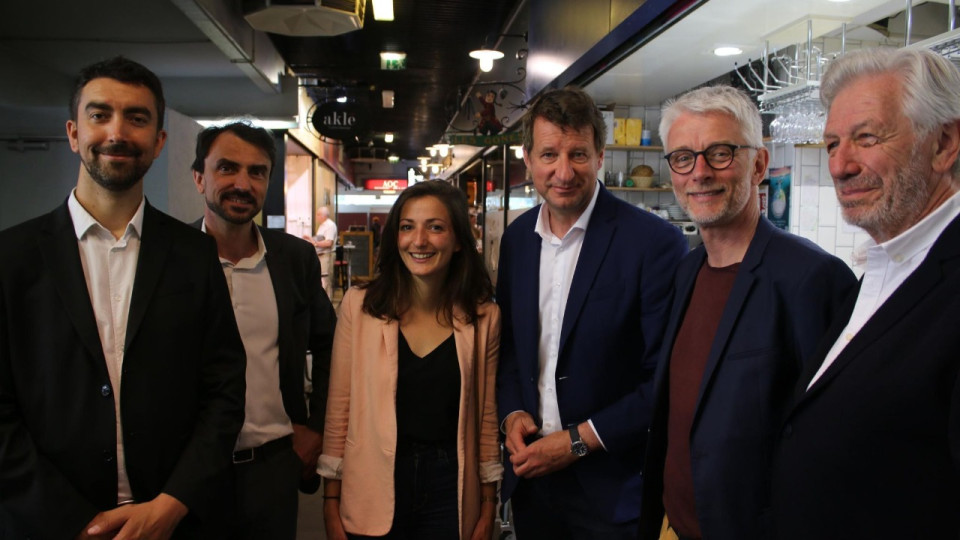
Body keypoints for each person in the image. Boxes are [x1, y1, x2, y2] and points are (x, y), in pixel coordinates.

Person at [0, 56, 246, 539]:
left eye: (136, 118)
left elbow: (224, 390)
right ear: (74, 133)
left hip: (173, 522)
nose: (117, 132)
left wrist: (172, 504)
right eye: (100, 115)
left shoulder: (194, 254)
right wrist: (78, 523)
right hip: (47, 524)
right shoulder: (12, 258)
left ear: (159, 141)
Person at [638, 86, 856, 540]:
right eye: (683, 158)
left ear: (758, 165)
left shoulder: (811, 278)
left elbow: (836, 446)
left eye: (720, 153)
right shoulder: (687, 271)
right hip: (670, 525)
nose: (700, 172)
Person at [771, 47, 960, 539]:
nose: (839, 166)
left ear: (944, 144)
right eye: (832, 144)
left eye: (866, 138)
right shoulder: (886, 264)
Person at [496, 86, 686, 538]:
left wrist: (576, 443)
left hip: (615, 490)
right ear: (528, 159)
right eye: (549, 155)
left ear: (600, 156)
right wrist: (512, 414)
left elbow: (664, 380)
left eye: (578, 154)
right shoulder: (517, 240)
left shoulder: (654, 243)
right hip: (532, 482)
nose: (563, 172)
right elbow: (509, 350)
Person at [319, 180, 502, 539]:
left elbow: (486, 419)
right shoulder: (360, 307)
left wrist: (487, 502)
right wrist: (330, 498)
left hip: (450, 484)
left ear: (459, 240)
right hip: (370, 479)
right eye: (407, 227)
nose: (419, 241)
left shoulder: (484, 317)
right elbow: (339, 407)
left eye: (435, 227)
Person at [189, 121, 337, 539]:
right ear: (199, 178)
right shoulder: (171, 258)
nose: (243, 183)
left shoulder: (294, 259)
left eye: (257, 172)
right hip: (190, 473)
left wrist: (317, 427)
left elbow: (332, 345)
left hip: (273, 469)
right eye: (227, 168)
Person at [306, 206, 337, 299]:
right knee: (321, 280)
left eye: (318, 214)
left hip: (326, 255)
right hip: (320, 255)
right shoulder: (322, 225)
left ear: (324, 215)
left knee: (326, 280)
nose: (317, 216)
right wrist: (310, 239)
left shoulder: (330, 225)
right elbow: (320, 239)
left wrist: (315, 243)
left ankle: (328, 301)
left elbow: (329, 243)